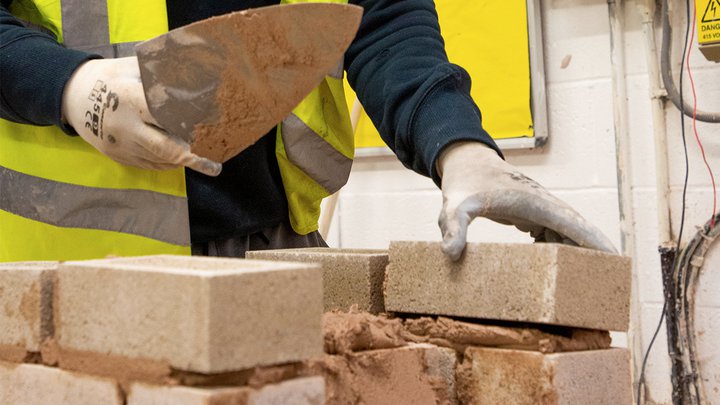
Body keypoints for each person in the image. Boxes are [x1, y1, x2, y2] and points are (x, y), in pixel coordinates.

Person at [0, 0, 616, 262]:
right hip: (69, 267)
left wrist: (458, 147)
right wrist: (67, 84)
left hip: (278, 254)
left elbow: (381, 18)